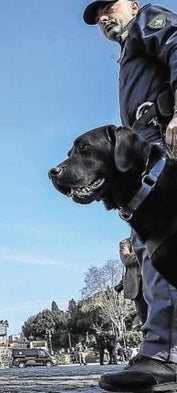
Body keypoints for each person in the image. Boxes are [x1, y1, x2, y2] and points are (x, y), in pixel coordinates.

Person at [83, 1, 177, 391]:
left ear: (133, 4)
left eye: (109, 5)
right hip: (149, 144)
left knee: (162, 246)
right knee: (151, 245)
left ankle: (165, 353)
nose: (104, 16)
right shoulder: (128, 48)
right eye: (97, 15)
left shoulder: (147, 21)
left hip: (162, 140)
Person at [119, 237, 148, 325]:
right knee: (145, 320)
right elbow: (127, 260)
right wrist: (148, 254)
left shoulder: (153, 238)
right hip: (139, 287)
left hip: (157, 284)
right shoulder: (125, 243)